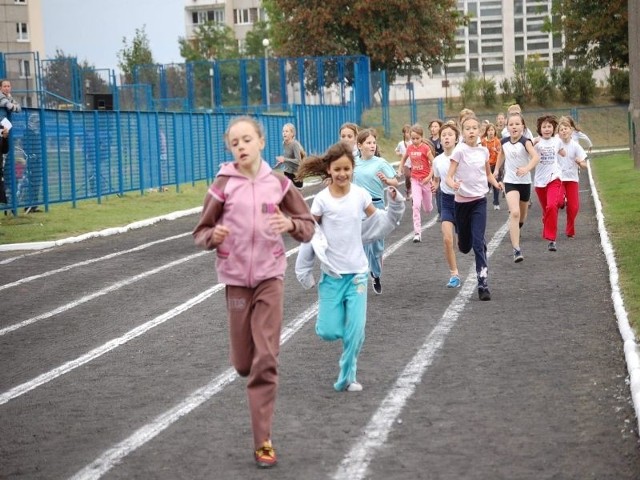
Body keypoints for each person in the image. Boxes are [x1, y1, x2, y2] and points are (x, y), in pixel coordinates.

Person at [192, 116, 315, 469]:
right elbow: (201, 231)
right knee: (244, 362)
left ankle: (263, 441)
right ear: (230, 148)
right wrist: (211, 238)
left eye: (247, 139)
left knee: (265, 359)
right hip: (235, 281)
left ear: (261, 142)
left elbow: (307, 225)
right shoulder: (222, 185)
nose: (242, 146)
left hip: (269, 278)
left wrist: (290, 223)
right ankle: (247, 365)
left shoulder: (278, 184)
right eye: (235, 142)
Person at [294, 141, 405, 393]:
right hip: (332, 276)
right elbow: (312, 235)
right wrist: (304, 271)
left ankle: (347, 375)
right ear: (329, 171)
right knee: (328, 331)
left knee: (356, 332)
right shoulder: (321, 200)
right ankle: (340, 324)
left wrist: (395, 204)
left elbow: (377, 221)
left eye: (347, 169)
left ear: (352, 169)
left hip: (357, 274)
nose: (342, 174)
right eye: (337, 169)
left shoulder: (360, 195)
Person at [446, 115, 502, 301]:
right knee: (464, 246)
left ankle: (483, 283)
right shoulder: (459, 151)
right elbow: (449, 176)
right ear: (462, 132)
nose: (471, 131)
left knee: (479, 243)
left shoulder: (483, 151)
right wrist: (453, 184)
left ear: (479, 131)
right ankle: (464, 240)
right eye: (467, 128)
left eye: (474, 128)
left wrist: (496, 183)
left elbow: (487, 174)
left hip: (479, 200)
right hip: (461, 203)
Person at [353, 128, 398, 294]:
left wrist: (388, 181)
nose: (372, 146)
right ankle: (363, 276)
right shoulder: (353, 162)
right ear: (359, 145)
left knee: (377, 246)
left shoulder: (380, 162)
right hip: (359, 208)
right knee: (362, 242)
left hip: (377, 206)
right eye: (368, 143)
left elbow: (395, 181)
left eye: (374, 143)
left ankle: (376, 274)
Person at [494, 112, 539, 263]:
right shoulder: (504, 141)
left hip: (524, 182)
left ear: (523, 127)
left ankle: (517, 228)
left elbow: (535, 157)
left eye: (517, 124)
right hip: (510, 181)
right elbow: (501, 155)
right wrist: (496, 170)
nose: (514, 127)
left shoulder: (526, 142)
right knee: (514, 212)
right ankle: (516, 250)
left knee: (522, 216)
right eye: (511, 124)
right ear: (507, 127)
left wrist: (526, 168)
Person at [431, 122, 461, 288]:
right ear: (440, 140)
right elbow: (436, 179)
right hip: (447, 201)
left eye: (450, 134)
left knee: (463, 243)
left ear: (456, 138)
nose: (446, 137)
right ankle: (454, 274)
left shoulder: (462, 155)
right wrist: (434, 186)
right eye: (443, 135)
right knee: (447, 238)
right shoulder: (437, 160)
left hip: (464, 201)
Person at [397, 123, 434, 243]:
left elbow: (434, 163)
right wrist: (400, 168)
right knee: (416, 205)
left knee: (428, 209)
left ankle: (427, 204)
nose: (415, 141)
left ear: (422, 137)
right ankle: (417, 232)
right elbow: (403, 158)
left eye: (417, 138)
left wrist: (429, 177)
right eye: (413, 138)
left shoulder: (426, 148)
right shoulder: (410, 148)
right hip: (415, 180)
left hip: (425, 180)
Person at [533, 114, 565, 252]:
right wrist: (531, 143)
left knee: (552, 206)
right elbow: (527, 153)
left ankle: (551, 239)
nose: (547, 129)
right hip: (540, 181)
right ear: (540, 129)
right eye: (544, 127)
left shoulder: (557, 141)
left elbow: (563, 152)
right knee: (547, 209)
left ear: (553, 128)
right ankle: (546, 218)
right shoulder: (536, 143)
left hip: (554, 178)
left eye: (549, 126)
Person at [557, 116, 588, 238]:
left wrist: (580, 162)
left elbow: (585, 165)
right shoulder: (555, 145)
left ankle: (570, 230)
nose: (564, 131)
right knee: (558, 202)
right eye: (561, 129)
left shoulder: (576, 146)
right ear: (558, 133)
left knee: (574, 208)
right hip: (559, 179)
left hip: (572, 179)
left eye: (566, 129)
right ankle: (563, 200)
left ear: (571, 130)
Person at [21, 113, 43, 213]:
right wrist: (31, 156)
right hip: (31, 163)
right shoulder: (27, 133)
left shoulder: (35, 133)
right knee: (31, 184)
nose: (37, 124)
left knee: (36, 183)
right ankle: (28, 206)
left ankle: (34, 206)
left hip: (37, 162)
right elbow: (25, 149)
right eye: (36, 122)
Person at [275, 122, 304, 188]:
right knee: (287, 193)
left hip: (296, 175)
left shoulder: (295, 144)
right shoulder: (284, 143)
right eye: (283, 131)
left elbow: (298, 161)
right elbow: (287, 158)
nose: (284, 133)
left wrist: (285, 159)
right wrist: (281, 162)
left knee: (296, 196)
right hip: (287, 172)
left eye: (286, 131)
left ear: (292, 133)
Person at [481, 123, 502, 210]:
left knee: (496, 184)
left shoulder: (497, 141)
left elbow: (501, 154)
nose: (490, 132)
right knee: (486, 185)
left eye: (492, 130)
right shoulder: (483, 141)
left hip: (495, 165)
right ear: (487, 132)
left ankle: (496, 202)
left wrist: (496, 151)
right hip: (487, 166)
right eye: (489, 130)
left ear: (494, 131)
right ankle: (482, 202)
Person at [395, 123, 412, 199]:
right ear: (404, 134)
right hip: (405, 164)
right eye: (406, 132)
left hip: (414, 163)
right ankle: (408, 190)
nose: (407, 134)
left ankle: (415, 191)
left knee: (415, 178)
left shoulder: (413, 142)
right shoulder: (401, 143)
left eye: (409, 132)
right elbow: (396, 151)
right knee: (408, 176)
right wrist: (400, 154)